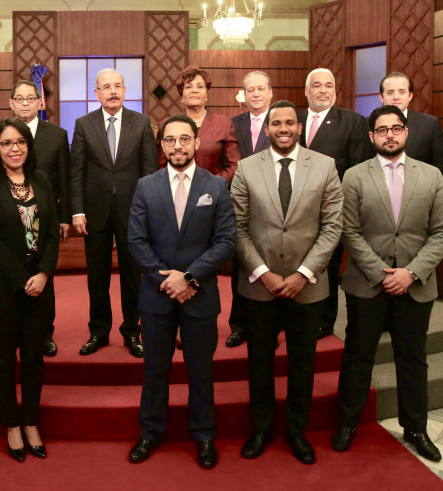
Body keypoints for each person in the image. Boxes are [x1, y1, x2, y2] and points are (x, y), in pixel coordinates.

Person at [332, 105, 443, 461]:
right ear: (372, 136)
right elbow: (348, 230)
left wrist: (411, 272)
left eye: (396, 128)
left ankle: (416, 428)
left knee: (413, 358)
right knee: (358, 356)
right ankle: (347, 423)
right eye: (382, 129)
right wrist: (380, 272)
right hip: (366, 284)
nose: (390, 135)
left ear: (406, 132)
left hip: (415, 286)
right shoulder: (354, 176)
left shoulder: (431, 175)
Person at [233, 100, 343, 464]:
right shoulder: (247, 167)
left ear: (299, 127)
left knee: (302, 364)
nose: (283, 128)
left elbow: (333, 228)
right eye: (276, 123)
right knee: (259, 362)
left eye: (289, 123)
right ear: (266, 129)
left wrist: (302, 274)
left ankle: (297, 431)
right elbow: (237, 227)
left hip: (307, 286)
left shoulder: (325, 166)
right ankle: (261, 428)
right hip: (258, 286)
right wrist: (263, 273)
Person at [128, 114, 236, 468]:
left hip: (199, 295)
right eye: (171, 140)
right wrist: (167, 280)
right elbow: (136, 241)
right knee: (155, 370)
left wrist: (189, 278)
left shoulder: (216, 186)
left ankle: (204, 435)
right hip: (156, 295)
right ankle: (150, 431)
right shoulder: (145, 185)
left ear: (196, 142)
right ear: (162, 145)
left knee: (200, 371)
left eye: (184, 139)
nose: (178, 146)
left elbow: (226, 242)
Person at [0, 118, 59, 462]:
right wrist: (22, 278)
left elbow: (51, 232)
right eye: (6, 143)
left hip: (40, 283)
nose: (14, 148)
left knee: (34, 355)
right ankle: (11, 424)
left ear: (28, 145)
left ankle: (31, 421)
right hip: (1, 285)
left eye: (20, 141)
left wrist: (43, 273)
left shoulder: (42, 179)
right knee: (6, 354)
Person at [69, 68, 159, 358]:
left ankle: (132, 332)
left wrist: (148, 211)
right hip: (94, 212)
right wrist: (77, 210)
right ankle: (98, 331)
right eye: (106, 87)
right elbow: (76, 171)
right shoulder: (83, 124)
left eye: (118, 86)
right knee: (97, 277)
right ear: (96, 93)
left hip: (133, 212)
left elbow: (149, 171)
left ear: (125, 90)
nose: (113, 91)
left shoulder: (141, 123)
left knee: (133, 276)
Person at [297, 68, 374, 340]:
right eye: (316, 85)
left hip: (331, 209)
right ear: (306, 91)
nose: (323, 90)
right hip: (292, 210)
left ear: (335, 90)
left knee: (326, 266)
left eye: (328, 85)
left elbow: (356, 168)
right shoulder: (293, 119)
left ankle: (325, 321)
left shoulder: (353, 121)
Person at [7, 80, 71, 357]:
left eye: (30, 98)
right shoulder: (1, 134)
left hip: (45, 219)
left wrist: (65, 217)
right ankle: (16, 331)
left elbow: (65, 178)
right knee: (13, 273)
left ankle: (45, 333)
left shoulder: (57, 135)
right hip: (10, 218)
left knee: (44, 276)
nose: (25, 103)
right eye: (19, 99)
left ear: (39, 102)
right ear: (11, 103)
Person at [226, 70, 274, 349]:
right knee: (241, 267)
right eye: (250, 90)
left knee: (271, 265)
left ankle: (268, 328)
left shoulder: (282, 121)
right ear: (243, 95)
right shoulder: (232, 124)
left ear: (271, 93)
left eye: (260, 89)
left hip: (273, 206)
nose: (255, 94)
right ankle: (239, 325)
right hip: (240, 205)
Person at [157, 66, 241, 183]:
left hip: (213, 189)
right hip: (176, 188)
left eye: (200, 86)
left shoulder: (223, 123)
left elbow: (234, 165)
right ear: (181, 93)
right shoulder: (168, 124)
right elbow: (160, 165)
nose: (194, 90)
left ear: (207, 92)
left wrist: (213, 183)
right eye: (189, 86)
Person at [378, 72, 443, 185]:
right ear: (381, 97)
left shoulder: (430, 124)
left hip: (420, 191)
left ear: (410, 96)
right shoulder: (366, 124)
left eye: (402, 92)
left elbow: (440, 168)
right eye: (390, 92)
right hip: (376, 191)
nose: (396, 97)